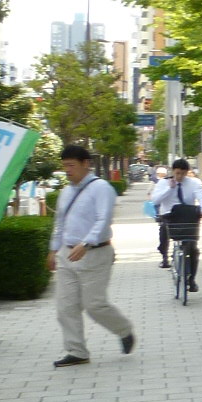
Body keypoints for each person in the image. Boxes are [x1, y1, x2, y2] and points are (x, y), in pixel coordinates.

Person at [47, 144, 134, 366]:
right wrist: (53, 249)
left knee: (94, 304)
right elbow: (60, 223)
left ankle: (124, 330)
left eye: (71, 165)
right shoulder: (66, 192)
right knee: (65, 306)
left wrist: (86, 243)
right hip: (67, 254)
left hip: (95, 253)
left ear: (86, 164)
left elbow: (103, 220)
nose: (67, 170)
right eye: (64, 165)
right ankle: (77, 351)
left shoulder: (101, 188)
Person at [155, 158, 202, 292]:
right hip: (169, 216)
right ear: (173, 171)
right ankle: (164, 257)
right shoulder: (163, 183)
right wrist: (169, 188)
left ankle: (191, 279)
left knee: (193, 248)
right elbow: (156, 200)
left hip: (187, 216)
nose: (180, 176)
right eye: (178, 173)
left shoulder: (194, 183)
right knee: (164, 232)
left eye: (183, 174)